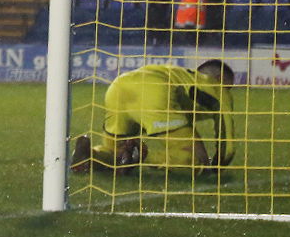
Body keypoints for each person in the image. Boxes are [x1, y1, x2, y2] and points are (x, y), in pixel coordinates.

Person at [70, 60, 237, 175]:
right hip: (155, 90)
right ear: (219, 79)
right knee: (198, 163)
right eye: (228, 86)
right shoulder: (215, 86)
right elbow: (227, 142)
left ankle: (90, 155)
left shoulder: (183, 77)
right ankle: (140, 156)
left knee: (116, 153)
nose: (227, 91)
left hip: (118, 87)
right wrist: (216, 167)